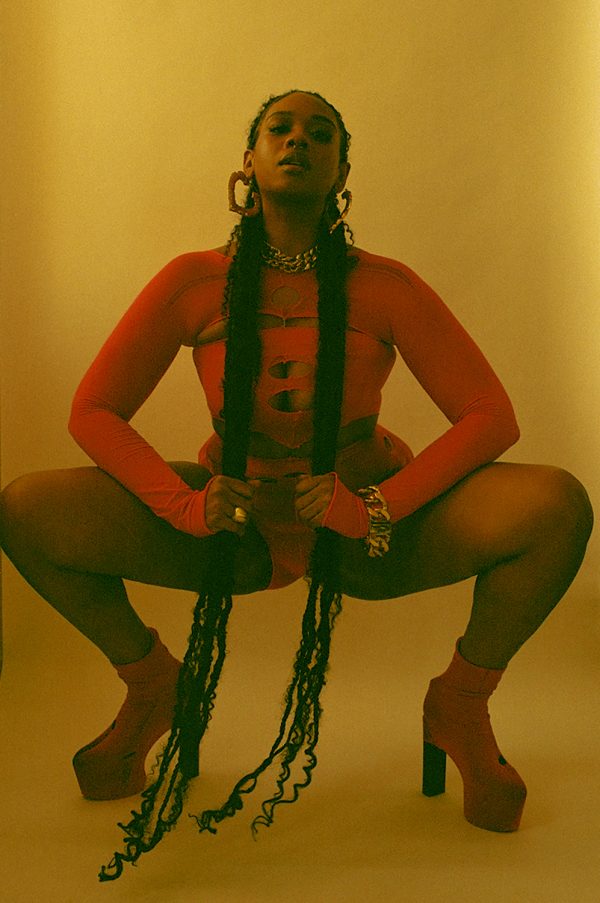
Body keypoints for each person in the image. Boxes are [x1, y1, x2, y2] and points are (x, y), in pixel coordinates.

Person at [0, 90, 593, 881]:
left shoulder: (385, 286)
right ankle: (153, 687)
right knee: (27, 508)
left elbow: (490, 416)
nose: (298, 141)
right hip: (236, 528)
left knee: (556, 505)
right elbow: (94, 410)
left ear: (341, 171)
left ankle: (461, 702)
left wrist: (375, 507)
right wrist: (185, 504)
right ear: (247, 163)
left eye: (321, 134)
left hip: (368, 532)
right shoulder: (192, 282)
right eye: (279, 129)